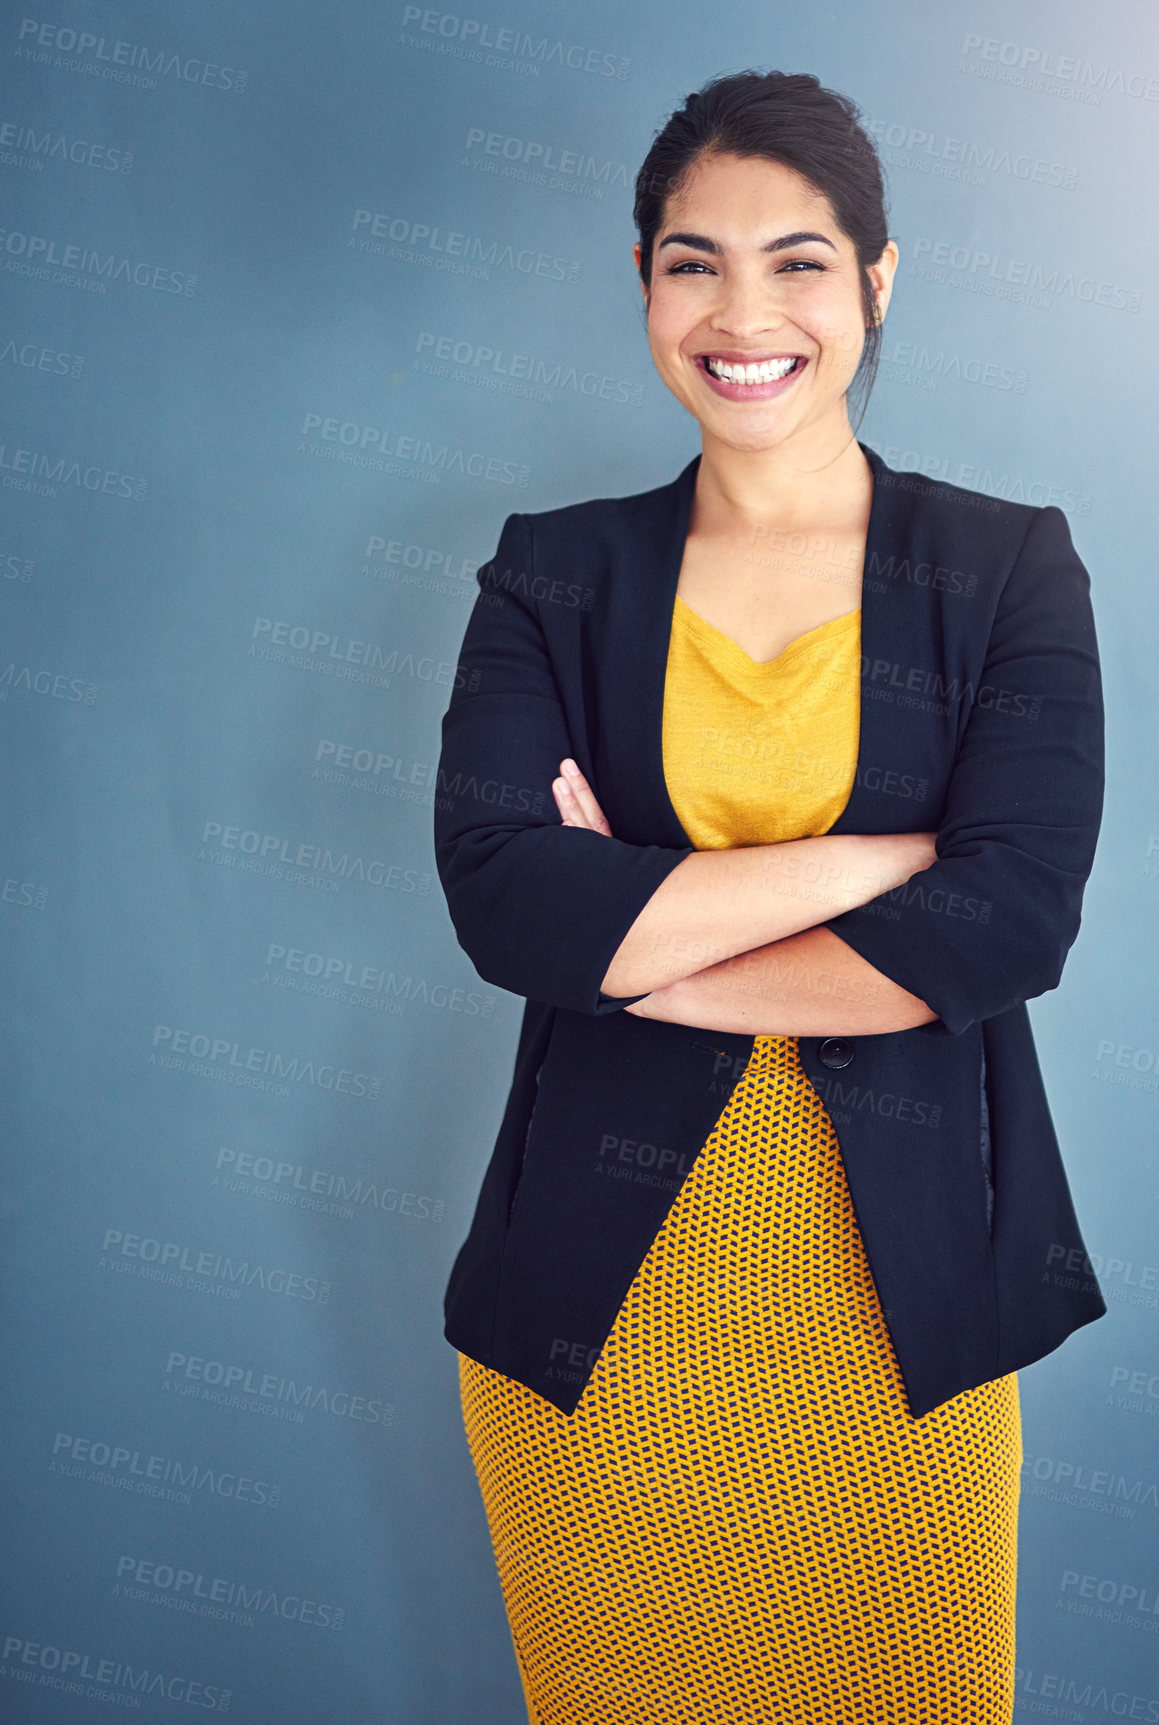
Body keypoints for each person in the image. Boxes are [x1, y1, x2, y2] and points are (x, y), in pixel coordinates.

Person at [433, 70, 1105, 1725]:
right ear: (646, 285)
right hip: (601, 1326)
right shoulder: (553, 573)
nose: (744, 313)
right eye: (692, 261)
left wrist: (645, 937)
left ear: (879, 282)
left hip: (906, 1317)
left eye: (799, 260)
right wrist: (890, 863)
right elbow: (514, 908)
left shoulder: (1010, 566)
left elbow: (1014, 919)